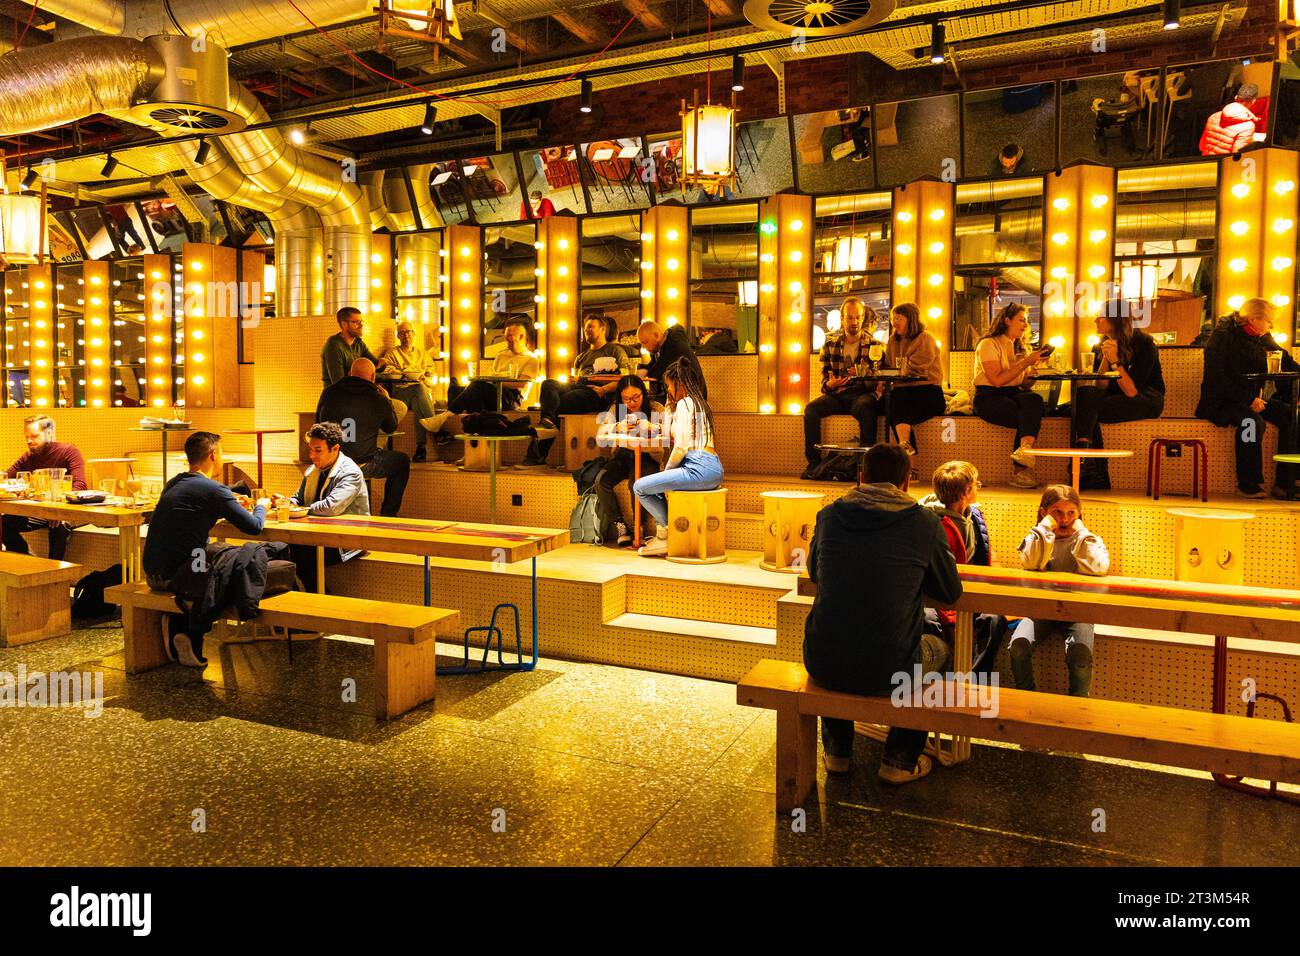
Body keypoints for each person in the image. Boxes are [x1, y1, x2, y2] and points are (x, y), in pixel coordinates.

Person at [803, 443, 962, 783]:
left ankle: (837, 754)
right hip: (891, 668)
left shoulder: (830, 515)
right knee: (939, 650)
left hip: (820, 660)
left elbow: (815, 573)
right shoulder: (925, 522)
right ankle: (899, 759)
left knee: (838, 630)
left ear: (861, 478)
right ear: (906, 483)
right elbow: (950, 592)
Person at [141, 431, 273, 668]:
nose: (222, 458)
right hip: (178, 577)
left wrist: (228, 500)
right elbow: (254, 527)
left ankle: (181, 626)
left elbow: (197, 504)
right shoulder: (214, 490)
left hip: (152, 572)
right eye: (222, 453)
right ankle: (192, 631)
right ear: (213, 455)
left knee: (212, 554)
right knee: (231, 559)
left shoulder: (175, 482)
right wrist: (261, 505)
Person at [1008, 485, 1110, 698]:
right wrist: (1045, 529)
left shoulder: (1089, 539)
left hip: (1078, 611)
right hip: (1041, 609)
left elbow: (1099, 567)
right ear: (1044, 512)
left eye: (1071, 513)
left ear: (1079, 514)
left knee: (1080, 657)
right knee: (1018, 646)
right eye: (1057, 512)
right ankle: (1027, 699)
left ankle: (1077, 706)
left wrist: (1081, 532)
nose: (1064, 519)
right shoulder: (1037, 537)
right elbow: (1031, 563)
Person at [1195, 298, 1299, 498]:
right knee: (1251, 423)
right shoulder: (1222, 337)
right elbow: (1215, 378)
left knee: (1293, 416)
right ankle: (1247, 482)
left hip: (1253, 399)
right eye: (1269, 321)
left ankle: (1286, 482)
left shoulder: (1261, 337)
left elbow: (1286, 361)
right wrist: (1249, 400)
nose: (1271, 326)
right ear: (1253, 318)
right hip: (1220, 401)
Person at [918, 460, 1003, 676]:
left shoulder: (973, 515)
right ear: (967, 491)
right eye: (976, 484)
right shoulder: (931, 523)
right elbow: (935, 577)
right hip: (937, 595)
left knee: (994, 619)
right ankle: (939, 681)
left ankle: (975, 679)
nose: (978, 487)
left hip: (969, 588)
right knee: (927, 620)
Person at [632, 359, 724, 557]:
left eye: (668, 385)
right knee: (653, 485)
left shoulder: (685, 404)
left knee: (640, 487)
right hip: (713, 467)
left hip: (697, 467)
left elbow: (681, 445)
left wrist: (667, 474)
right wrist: (668, 405)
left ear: (678, 383)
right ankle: (665, 533)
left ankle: (667, 532)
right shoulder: (699, 403)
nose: (668, 390)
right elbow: (668, 432)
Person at [1073, 301, 1166, 490]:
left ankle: (1088, 465)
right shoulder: (1101, 345)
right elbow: (1101, 385)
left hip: (1146, 399)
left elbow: (1132, 391)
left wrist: (1115, 361)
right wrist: (1106, 358)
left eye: (1101, 316)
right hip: (1115, 398)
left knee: (1084, 408)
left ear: (1115, 320)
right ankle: (1089, 466)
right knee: (1083, 398)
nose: (1095, 320)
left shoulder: (1143, 343)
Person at [519, 313, 632, 468]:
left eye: (591, 327)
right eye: (585, 329)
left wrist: (603, 389)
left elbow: (624, 380)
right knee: (548, 384)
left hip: (598, 392)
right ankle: (548, 422)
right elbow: (576, 378)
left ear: (603, 329)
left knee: (557, 405)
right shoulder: (581, 357)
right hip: (579, 387)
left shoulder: (615, 351)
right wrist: (573, 381)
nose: (587, 331)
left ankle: (537, 453)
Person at [282, 421, 369, 593]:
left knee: (299, 556)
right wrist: (285, 503)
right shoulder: (313, 470)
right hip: (317, 535)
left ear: (335, 448)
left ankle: (316, 602)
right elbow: (298, 499)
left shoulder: (350, 472)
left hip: (347, 540)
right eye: (311, 449)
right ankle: (299, 604)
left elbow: (330, 507)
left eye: (318, 450)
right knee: (278, 549)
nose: (312, 455)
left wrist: (300, 510)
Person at [316, 358, 409, 516]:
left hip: (330, 462)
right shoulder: (378, 398)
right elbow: (391, 427)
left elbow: (318, 424)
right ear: (373, 377)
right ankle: (388, 515)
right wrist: (386, 400)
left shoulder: (328, 392)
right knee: (402, 462)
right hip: (362, 463)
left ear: (350, 373)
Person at [803, 296, 882, 480]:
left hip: (861, 394)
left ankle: (864, 467)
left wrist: (864, 374)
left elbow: (877, 382)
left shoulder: (875, 345)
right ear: (842, 318)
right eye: (850, 317)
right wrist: (830, 384)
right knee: (811, 409)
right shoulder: (830, 345)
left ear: (863, 318)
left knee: (867, 406)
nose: (854, 322)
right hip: (837, 394)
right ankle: (814, 463)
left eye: (858, 317)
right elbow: (824, 379)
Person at [972, 302, 1048, 489]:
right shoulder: (988, 344)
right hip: (988, 396)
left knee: (1035, 399)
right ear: (1007, 320)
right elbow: (997, 380)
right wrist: (1025, 363)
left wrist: (1033, 370)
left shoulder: (1019, 348)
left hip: (1013, 393)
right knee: (1026, 414)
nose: (1025, 325)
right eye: (1021, 320)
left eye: (1027, 322)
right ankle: (1020, 471)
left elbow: (1024, 385)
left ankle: (1025, 450)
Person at [422, 319, 539, 437]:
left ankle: (444, 417)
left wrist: (496, 380)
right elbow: (492, 374)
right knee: (469, 397)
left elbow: (521, 384)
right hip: (493, 392)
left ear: (521, 336)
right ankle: (476, 449)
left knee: (477, 387)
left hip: (512, 397)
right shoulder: (501, 355)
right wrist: (494, 379)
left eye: (509, 335)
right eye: (505, 335)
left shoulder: (531, 359)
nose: (506, 339)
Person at [3, 414, 87, 561]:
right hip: (42, 509)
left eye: (34, 436)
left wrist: (58, 510)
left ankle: (54, 573)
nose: (29, 441)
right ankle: (31, 563)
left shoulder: (68, 451)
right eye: (26, 437)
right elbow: (6, 477)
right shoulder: (28, 456)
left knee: (59, 525)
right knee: (4, 523)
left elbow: (80, 485)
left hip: (69, 509)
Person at [596, 375, 664, 546]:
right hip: (623, 454)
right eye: (626, 399)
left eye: (636, 397)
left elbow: (671, 432)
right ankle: (620, 525)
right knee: (601, 481)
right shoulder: (616, 410)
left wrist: (654, 427)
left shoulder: (656, 408)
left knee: (637, 482)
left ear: (644, 393)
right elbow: (600, 432)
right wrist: (616, 427)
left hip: (648, 455)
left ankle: (638, 528)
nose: (631, 403)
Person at [883, 303, 945, 466]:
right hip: (903, 393)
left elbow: (916, 369)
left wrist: (898, 369)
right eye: (892, 318)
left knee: (895, 408)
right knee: (893, 404)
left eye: (899, 318)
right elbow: (891, 367)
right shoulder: (892, 341)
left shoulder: (925, 338)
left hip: (928, 393)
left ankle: (909, 457)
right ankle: (907, 451)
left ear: (911, 319)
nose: (894, 322)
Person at [379, 322, 437, 462]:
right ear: (398, 336)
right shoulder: (392, 353)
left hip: (420, 394)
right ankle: (437, 430)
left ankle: (420, 448)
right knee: (418, 389)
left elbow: (433, 378)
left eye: (409, 332)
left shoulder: (423, 354)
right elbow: (387, 372)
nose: (406, 335)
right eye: (402, 333)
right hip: (401, 394)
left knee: (419, 400)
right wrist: (403, 373)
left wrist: (423, 378)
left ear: (414, 334)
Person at [637, 318, 705, 404]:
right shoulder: (661, 350)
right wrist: (645, 369)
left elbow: (658, 370)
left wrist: (645, 372)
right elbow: (656, 366)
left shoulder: (674, 344)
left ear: (657, 335)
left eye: (645, 342)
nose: (644, 347)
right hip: (682, 399)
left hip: (694, 397)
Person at [321, 307, 380, 389]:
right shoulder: (333, 346)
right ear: (344, 324)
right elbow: (339, 383)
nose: (361, 325)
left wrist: (383, 363)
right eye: (356, 322)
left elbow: (375, 364)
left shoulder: (358, 343)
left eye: (361, 321)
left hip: (355, 392)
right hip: (336, 397)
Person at [1199, 84, 1260, 156]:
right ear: (1253, 101)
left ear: (1236, 97)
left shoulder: (1214, 116)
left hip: (1207, 161)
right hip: (1224, 165)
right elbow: (1237, 156)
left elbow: (1201, 146)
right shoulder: (1248, 126)